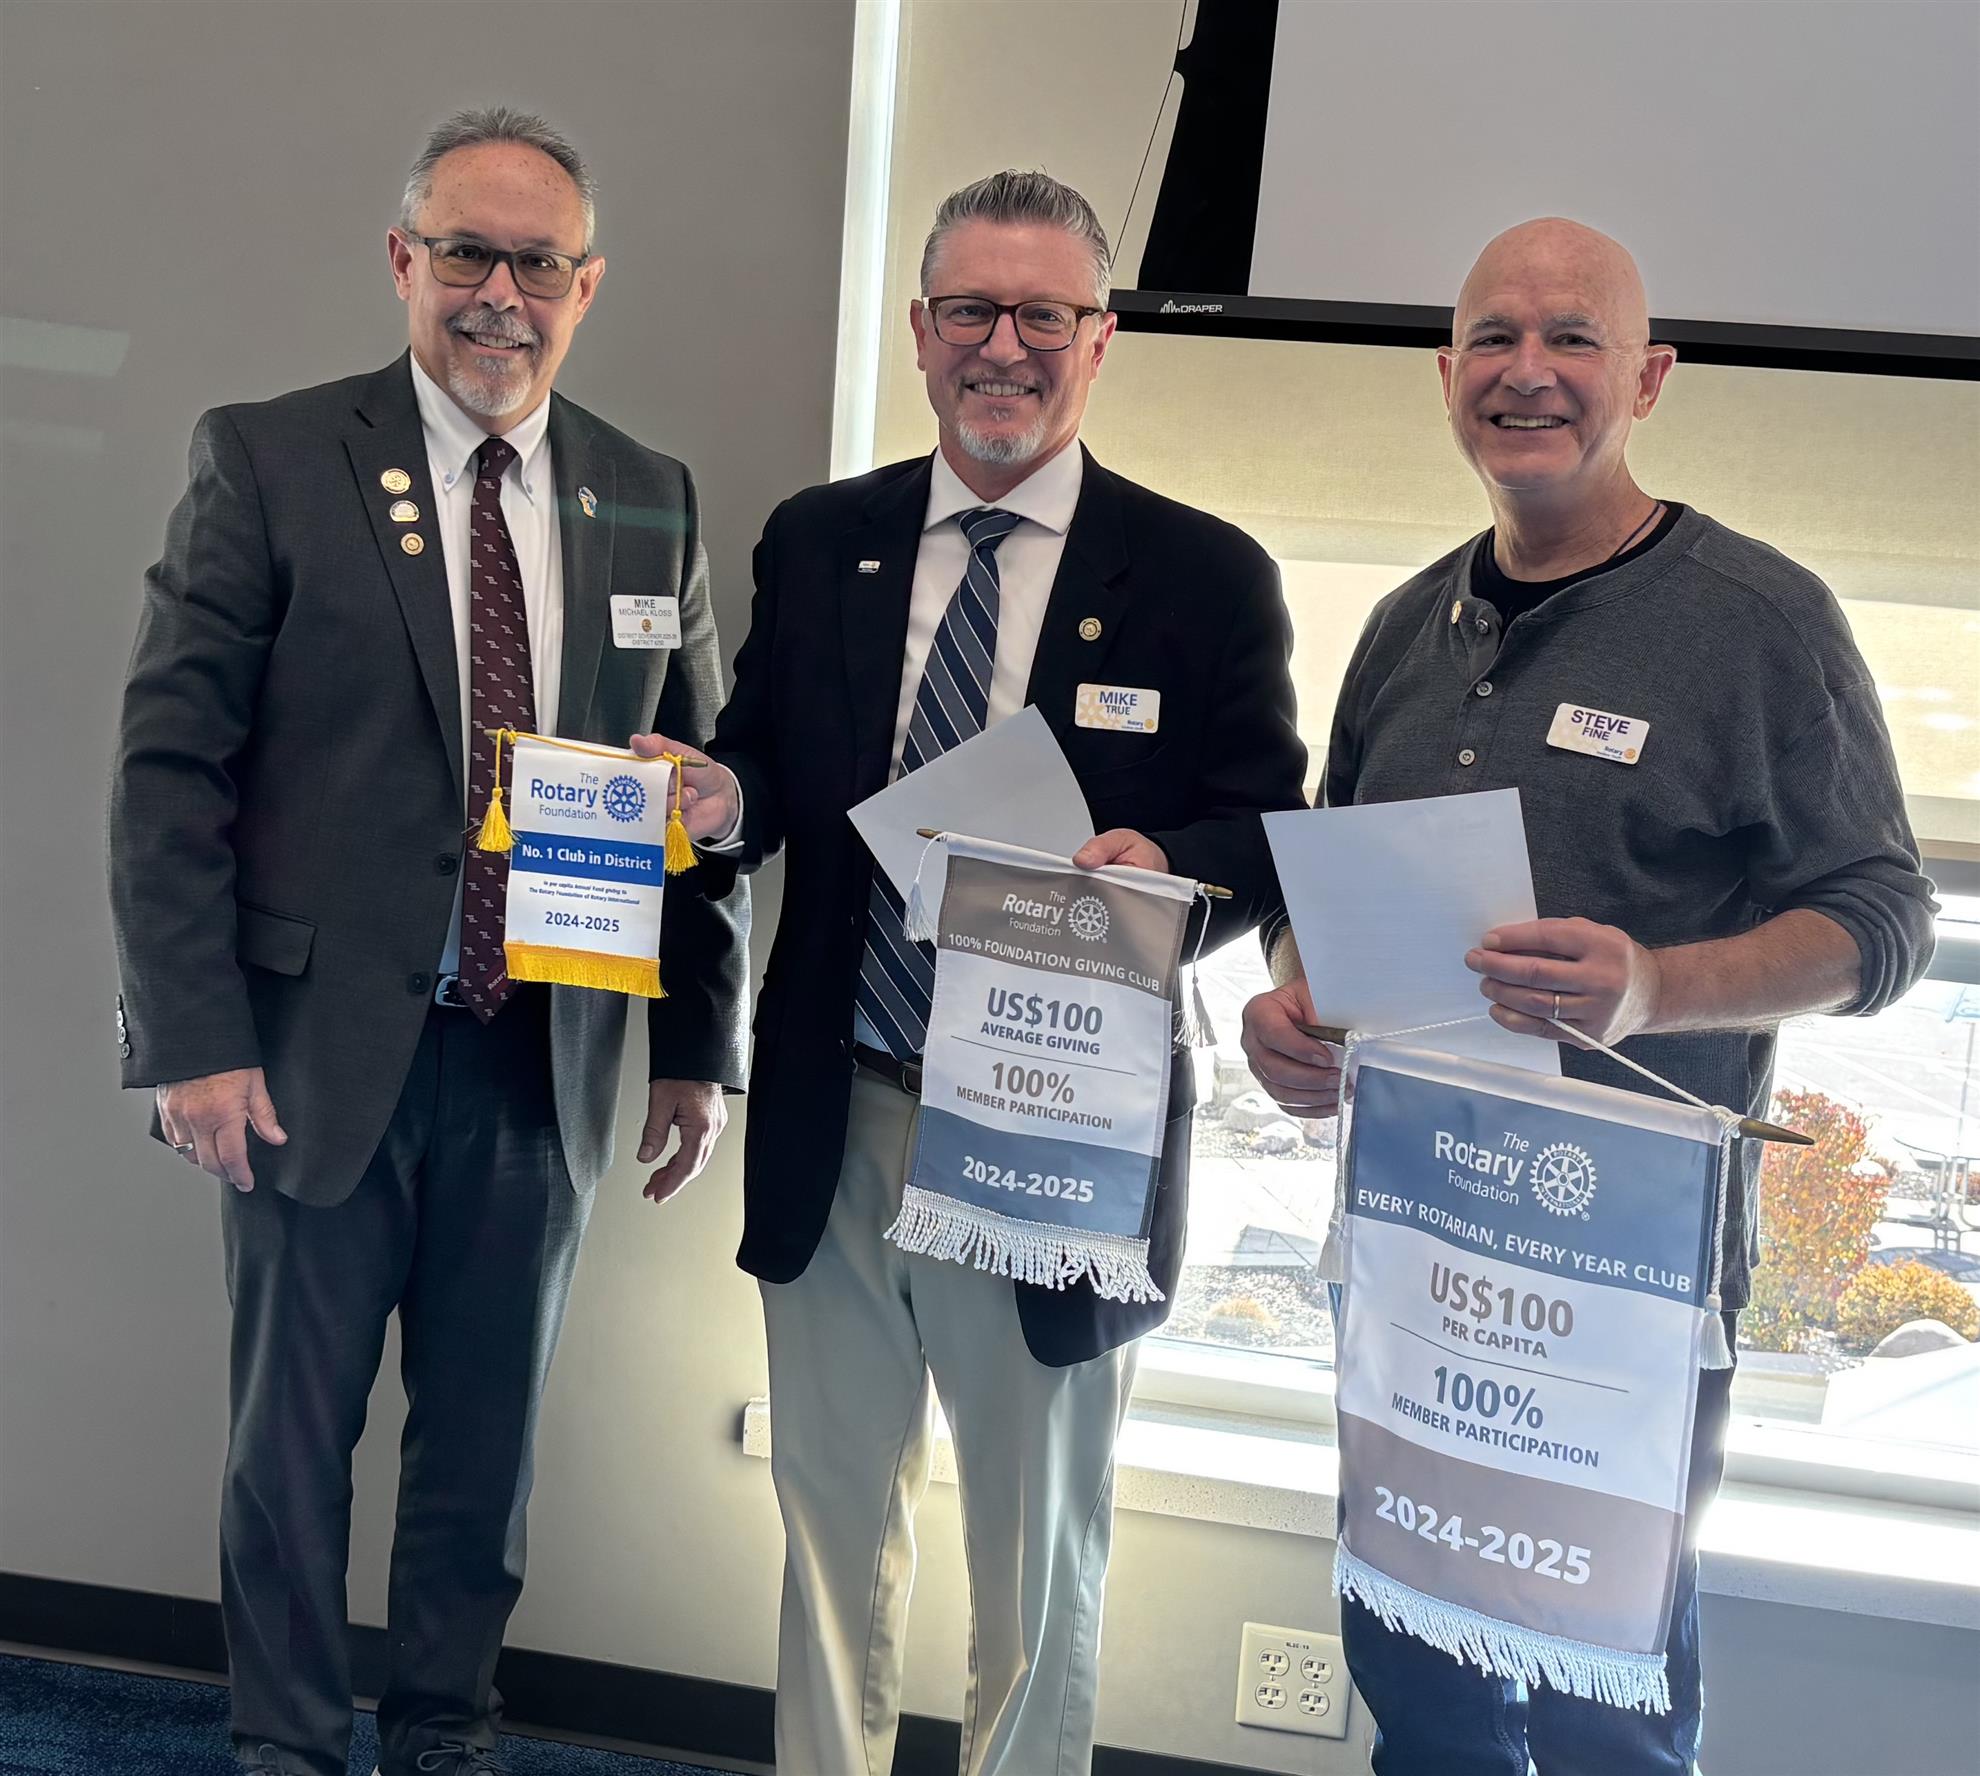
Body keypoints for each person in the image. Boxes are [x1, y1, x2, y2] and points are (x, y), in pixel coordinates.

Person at [1240, 217, 1937, 1774]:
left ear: (1651, 378)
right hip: (1415, 1259)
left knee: (1601, 1707)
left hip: (1622, 1286)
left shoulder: (1759, 624)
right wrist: (1296, 1003)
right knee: (1415, 1682)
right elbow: (1324, 887)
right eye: (1494, 337)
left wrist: (1655, 987)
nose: (1529, 372)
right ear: (1446, 374)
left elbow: (1885, 921)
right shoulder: (1403, 627)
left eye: (1573, 339)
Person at [639, 170, 1307, 1775]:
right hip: (844, 1103)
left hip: (1051, 1136)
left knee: (1037, 1555)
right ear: (921, 329)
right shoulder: (824, 541)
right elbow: (768, 766)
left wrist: (1172, 868)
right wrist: (722, 801)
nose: (1003, 347)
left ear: (1101, 336)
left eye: (1042, 315)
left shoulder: (1204, 575)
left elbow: (1270, 828)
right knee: (829, 1532)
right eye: (969, 311)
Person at [107, 107, 747, 1776]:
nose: (498, 295)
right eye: (466, 252)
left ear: (586, 287)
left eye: (538, 264)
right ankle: (287, 1748)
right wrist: (191, 1039)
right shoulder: (269, 458)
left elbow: (689, 786)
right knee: (291, 1449)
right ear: (404, 259)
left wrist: (697, 1043)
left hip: (539, 1059)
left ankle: (446, 1737)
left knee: (484, 1456)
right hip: (312, 1058)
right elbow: (170, 770)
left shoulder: (648, 496)